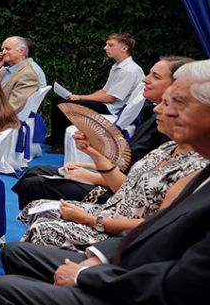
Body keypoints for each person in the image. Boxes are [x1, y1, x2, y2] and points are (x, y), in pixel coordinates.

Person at [0, 59, 210, 305]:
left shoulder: (196, 169)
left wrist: (87, 272)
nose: (165, 110)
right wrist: (100, 256)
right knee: (17, 250)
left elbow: (180, 288)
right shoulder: (184, 156)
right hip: (128, 260)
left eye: (179, 102)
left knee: (8, 290)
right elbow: (152, 225)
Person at [19, 84, 207, 250]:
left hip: (120, 233)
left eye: (167, 104)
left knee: (39, 214)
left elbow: (157, 226)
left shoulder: (197, 166)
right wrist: (93, 154)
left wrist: (89, 218)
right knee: (37, 206)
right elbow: (127, 186)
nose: (156, 108)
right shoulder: (168, 147)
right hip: (112, 209)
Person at [13, 56, 192, 208]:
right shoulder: (153, 115)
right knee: (35, 171)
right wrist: (90, 157)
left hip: (119, 196)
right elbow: (130, 165)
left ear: (177, 86)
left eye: (156, 76)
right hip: (114, 179)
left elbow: (143, 188)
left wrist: (93, 176)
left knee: (34, 183)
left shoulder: (171, 130)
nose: (145, 79)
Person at [45, 32, 144, 146]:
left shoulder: (129, 70)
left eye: (110, 45)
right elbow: (105, 90)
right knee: (58, 100)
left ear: (124, 48)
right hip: (109, 105)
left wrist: (80, 98)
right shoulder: (118, 66)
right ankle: (56, 137)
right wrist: (80, 98)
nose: (105, 47)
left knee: (64, 104)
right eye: (106, 44)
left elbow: (111, 97)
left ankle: (61, 143)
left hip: (114, 109)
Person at [0, 36, 40, 114]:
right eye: (2, 49)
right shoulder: (4, 70)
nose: (3, 52)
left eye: (7, 49)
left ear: (21, 51)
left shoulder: (28, 75)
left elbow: (12, 107)